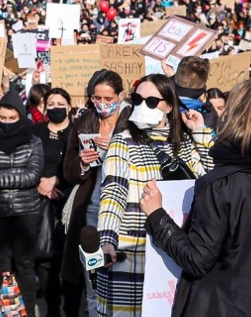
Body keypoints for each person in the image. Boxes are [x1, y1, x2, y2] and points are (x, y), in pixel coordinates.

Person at [140, 79, 251, 317]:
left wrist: (157, 216)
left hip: (227, 306)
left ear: (237, 118)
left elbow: (197, 259)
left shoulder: (219, 183)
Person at [96, 74, 214, 317]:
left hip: (176, 252)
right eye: (138, 99)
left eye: (151, 101)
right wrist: (107, 239)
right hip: (134, 252)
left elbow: (212, 182)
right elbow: (113, 192)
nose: (142, 105)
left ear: (169, 106)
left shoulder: (184, 143)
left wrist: (200, 132)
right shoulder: (123, 142)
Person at [61, 70, 129, 317]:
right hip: (90, 211)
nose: (102, 104)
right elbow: (67, 170)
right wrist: (81, 162)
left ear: (121, 96)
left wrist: (115, 148)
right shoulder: (84, 121)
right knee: (94, 279)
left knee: (123, 278)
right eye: (96, 98)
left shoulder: (133, 121)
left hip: (126, 211)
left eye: (108, 98)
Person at [0, 91, 44, 317]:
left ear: (21, 117)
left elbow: (33, 175)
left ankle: (28, 311)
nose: (6, 123)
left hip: (26, 212)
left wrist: (0, 178)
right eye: (3, 118)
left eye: (12, 118)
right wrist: (3, 177)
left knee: (25, 265)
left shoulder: (34, 141)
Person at [31, 87, 76, 316]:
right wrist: (41, 183)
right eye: (51, 104)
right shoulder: (35, 132)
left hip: (70, 203)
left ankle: (71, 308)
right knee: (46, 257)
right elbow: (25, 161)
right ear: (44, 107)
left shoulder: (77, 133)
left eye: (61, 103)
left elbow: (83, 166)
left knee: (70, 261)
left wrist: (56, 181)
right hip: (41, 203)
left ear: (69, 106)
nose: (56, 107)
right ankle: (52, 309)